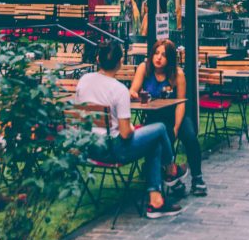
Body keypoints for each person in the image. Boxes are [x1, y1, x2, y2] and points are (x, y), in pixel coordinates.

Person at [76, 42, 186, 218]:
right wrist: (133, 127)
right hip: (113, 150)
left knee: (154, 142)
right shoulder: (119, 90)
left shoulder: (83, 81)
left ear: (98, 59)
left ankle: (156, 200)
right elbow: (126, 133)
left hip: (88, 147)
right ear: (120, 62)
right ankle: (171, 168)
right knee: (159, 129)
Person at [129, 39, 207, 197]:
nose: (158, 58)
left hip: (175, 114)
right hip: (155, 115)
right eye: (156, 53)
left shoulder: (177, 74)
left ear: (170, 58)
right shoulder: (144, 68)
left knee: (190, 137)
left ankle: (197, 178)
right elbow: (133, 90)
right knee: (158, 140)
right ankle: (172, 177)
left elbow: (181, 103)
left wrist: (177, 127)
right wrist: (134, 94)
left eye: (163, 55)